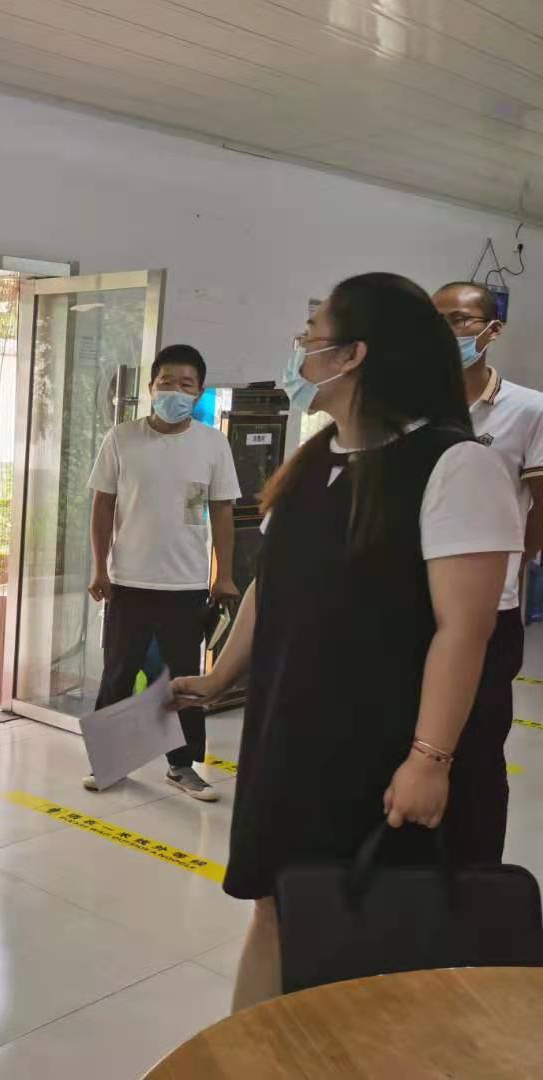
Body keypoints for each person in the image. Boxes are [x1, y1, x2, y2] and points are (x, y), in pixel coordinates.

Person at [173, 273, 521, 1012]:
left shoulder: (455, 466)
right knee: (276, 906)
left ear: (355, 355)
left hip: (380, 754)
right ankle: (252, 1058)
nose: (301, 347)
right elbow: (271, 587)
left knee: (368, 936)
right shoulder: (315, 459)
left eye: (313, 334)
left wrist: (429, 759)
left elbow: (465, 630)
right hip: (289, 738)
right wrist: (218, 676)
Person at [85, 344, 241, 801]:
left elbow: (223, 511)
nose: (175, 391)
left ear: (199, 392)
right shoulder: (121, 438)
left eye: (186, 384)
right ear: (151, 386)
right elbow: (102, 506)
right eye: (166, 382)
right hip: (127, 581)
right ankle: (109, 763)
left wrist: (224, 575)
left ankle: (182, 766)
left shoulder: (212, 444)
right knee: (118, 673)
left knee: (182, 678)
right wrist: (99, 568)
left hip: (186, 583)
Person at [432, 281, 543, 863]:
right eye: (435, 320)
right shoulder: (412, 406)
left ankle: (475, 884)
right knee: (413, 748)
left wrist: (508, 565)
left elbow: (541, 507)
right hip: (413, 605)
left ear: (492, 330)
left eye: (458, 320)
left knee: (475, 756)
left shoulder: (528, 409)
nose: (445, 332)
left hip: (488, 614)